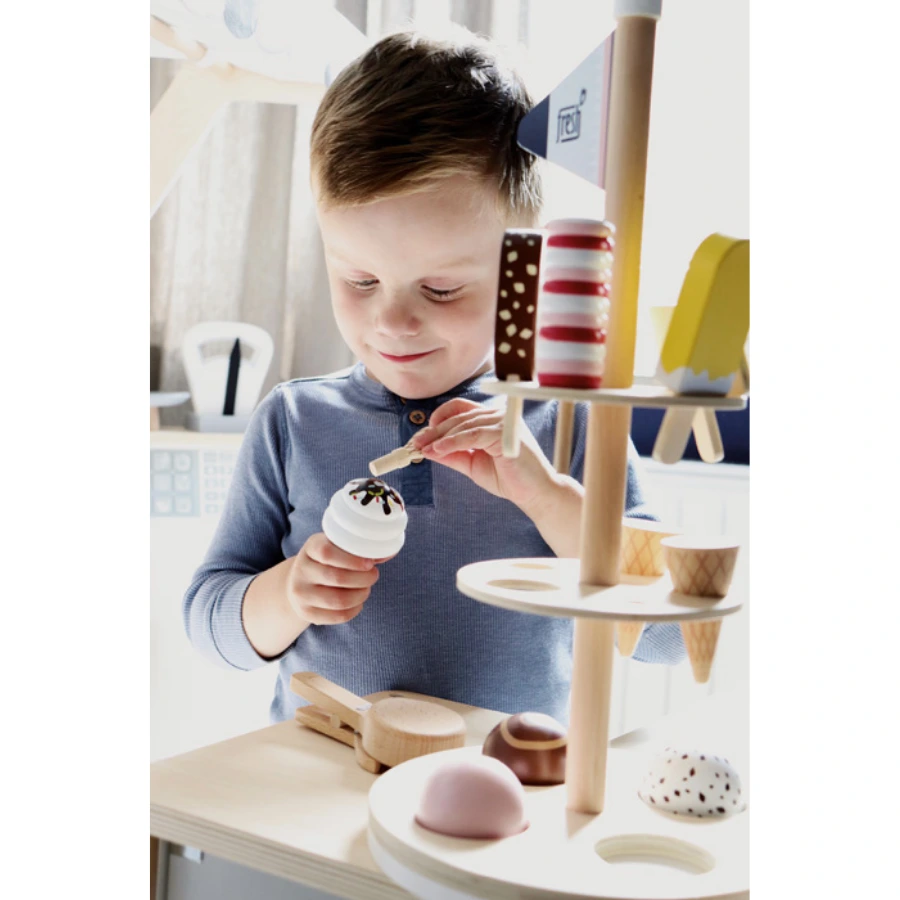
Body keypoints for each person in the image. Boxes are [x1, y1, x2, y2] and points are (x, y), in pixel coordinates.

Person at [183, 27, 685, 727]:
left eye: (441, 289)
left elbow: (670, 637)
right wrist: (289, 594)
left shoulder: (569, 424)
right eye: (359, 280)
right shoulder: (293, 421)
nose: (392, 322)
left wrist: (548, 499)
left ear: (523, 275)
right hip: (321, 776)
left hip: (504, 785)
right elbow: (208, 622)